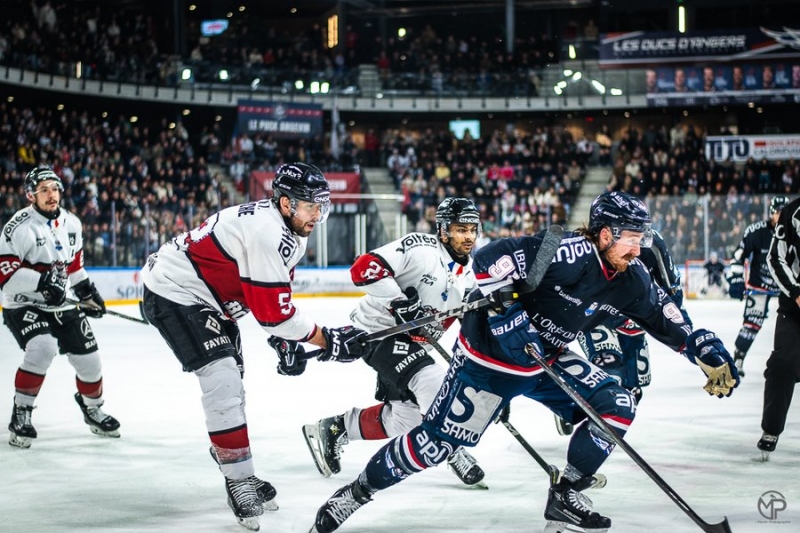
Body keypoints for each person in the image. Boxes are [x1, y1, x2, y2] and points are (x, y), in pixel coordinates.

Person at [308, 191, 739, 533]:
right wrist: (510, 318)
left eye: (642, 237)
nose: (638, 246)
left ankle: (565, 493)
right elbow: (488, 259)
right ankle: (356, 493)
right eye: (632, 237)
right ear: (605, 234)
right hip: (487, 364)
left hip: (546, 360)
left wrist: (705, 350)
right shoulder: (566, 252)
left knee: (617, 405)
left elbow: (664, 315)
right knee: (435, 444)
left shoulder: (631, 276)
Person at [139, 162, 368, 531]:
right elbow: (273, 316)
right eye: (311, 204)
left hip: (210, 301)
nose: (318, 213)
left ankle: (235, 464)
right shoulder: (265, 231)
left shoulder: (290, 229)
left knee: (233, 389)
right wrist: (327, 339)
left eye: (321, 204)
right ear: (284, 203)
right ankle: (239, 479)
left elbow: (277, 299)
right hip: (175, 291)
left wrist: (285, 339)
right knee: (223, 381)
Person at [302, 197, 486, 488]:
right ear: (443, 230)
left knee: (406, 420)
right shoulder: (421, 248)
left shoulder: (472, 274)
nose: (469, 237)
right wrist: (398, 301)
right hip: (379, 333)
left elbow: (472, 321)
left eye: (472, 229)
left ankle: (336, 428)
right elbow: (364, 268)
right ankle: (453, 449)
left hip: (416, 345)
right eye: (460, 229)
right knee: (434, 384)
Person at [0, 166, 118, 449]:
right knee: (42, 349)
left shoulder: (72, 223)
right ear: (32, 195)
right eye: (44, 190)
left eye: (54, 189)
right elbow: (5, 277)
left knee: (90, 361)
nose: (51, 195)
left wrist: (88, 293)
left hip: (60, 303)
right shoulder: (18, 227)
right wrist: (41, 282)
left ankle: (92, 408)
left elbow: (74, 268)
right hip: (23, 303)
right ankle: (22, 413)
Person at [558, 229, 691, 435]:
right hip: (598, 315)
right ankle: (581, 425)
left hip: (633, 321)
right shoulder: (594, 239)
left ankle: (574, 406)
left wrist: (687, 337)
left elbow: (671, 290)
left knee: (632, 392)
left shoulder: (652, 244)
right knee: (609, 369)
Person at [725, 196, 789, 377]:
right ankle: (738, 357)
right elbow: (738, 256)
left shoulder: (794, 232)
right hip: (760, 285)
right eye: (778, 213)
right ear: (771, 214)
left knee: (792, 324)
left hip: (786, 286)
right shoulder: (756, 231)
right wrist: (736, 279)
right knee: (752, 323)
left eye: (784, 213)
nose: (781, 216)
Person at [760, 195, 800, 460]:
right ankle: (771, 429)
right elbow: (775, 257)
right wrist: (796, 293)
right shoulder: (793, 212)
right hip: (794, 309)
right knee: (783, 364)